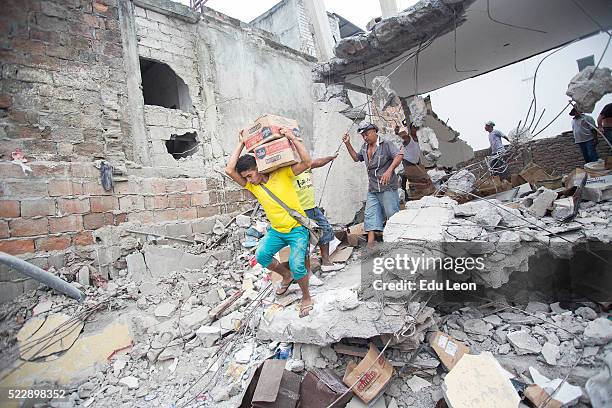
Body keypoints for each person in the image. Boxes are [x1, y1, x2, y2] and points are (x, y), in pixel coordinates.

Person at [225, 128, 315, 317]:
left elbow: (307, 162)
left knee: (297, 263)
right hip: (277, 231)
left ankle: (306, 296)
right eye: (246, 177)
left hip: (297, 229)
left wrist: (291, 138)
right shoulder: (253, 186)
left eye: (250, 175)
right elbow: (229, 170)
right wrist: (242, 143)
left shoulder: (282, 174)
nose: (249, 180)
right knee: (262, 256)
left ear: (260, 168)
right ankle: (286, 275)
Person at [342, 121, 403, 248]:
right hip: (373, 188)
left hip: (387, 187)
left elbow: (399, 155)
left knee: (392, 214)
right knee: (370, 215)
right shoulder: (365, 147)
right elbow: (356, 158)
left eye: (367, 134)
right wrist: (347, 143)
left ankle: (398, 243)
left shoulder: (386, 144)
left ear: (374, 131)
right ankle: (371, 244)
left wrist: (389, 170)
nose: (365, 137)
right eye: (363, 135)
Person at [292, 155, 345, 272]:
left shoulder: (304, 166)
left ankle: (326, 263)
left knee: (325, 231)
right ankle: (307, 273)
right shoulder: (288, 172)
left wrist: (331, 157)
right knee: (304, 240)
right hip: (301, 212)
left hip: (313, 207)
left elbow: (318, 162)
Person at [395, 122, 434, 201]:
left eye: (417, 128)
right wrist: (396, 133)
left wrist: (419, 163)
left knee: (417, 183)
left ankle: (416, 198)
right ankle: (405, 199)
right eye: (414, 128)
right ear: (410, 129)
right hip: (406, 164)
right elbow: (399, 139)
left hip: (415, 164)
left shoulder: (419, 139)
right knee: (403, 184)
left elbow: (417, 153)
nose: (416, 130)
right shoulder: (408, 138)